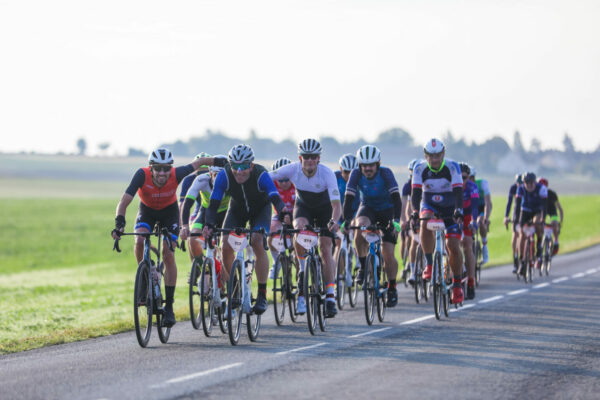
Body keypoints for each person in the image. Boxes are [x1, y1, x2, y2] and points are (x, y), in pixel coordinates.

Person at [111, 148, 226, 327]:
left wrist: (221, 161)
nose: (163, 173)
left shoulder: (176, 173)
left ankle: (170, 307)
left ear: (170, 168)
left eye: (166, 168)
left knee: (168, 252)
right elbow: (124, 201)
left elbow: (199, 163)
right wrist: (119, 224)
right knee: (139, 240)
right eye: (158, 168)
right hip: (147, 211)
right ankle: (145, 278)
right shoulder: (141, 175)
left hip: (169, 213)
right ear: (151, 168)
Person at [202, 144, 286, 316]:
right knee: (225, 244)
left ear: (251, 165)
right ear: (230, 165)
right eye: (235, 166)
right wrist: (209, 225)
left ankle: (262, 294)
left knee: (257, 241)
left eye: (244, 166)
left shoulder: (261, 174)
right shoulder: (224, 175)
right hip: (237, 210)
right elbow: (213, 204)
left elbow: (274, 196)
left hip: (261, 210)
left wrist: (284, 213)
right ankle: (235, 288)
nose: (239, 171)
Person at [269, 138, 342, 318]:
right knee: (298, 229)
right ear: (300, 157)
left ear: (318, 158)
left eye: (313, 157)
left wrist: (333, 221)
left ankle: (330, 297)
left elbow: (336, 205)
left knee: (325, 249)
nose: (309, 160)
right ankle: (302, 268)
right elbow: (267, 178)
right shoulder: (292, 169)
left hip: (325, 210)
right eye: (306, 156)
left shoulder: (327, 174)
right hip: (304, 207)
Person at [343, 145, 402, 307]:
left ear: (378, 164)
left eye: (371, 165)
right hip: (368, 208)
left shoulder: (386, 173)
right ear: (360, 165)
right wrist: (346, 221)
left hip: (387, 210)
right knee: (359, 227)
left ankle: (391, 287)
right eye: (364, 165)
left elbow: (397, 198)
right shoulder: (355, 174)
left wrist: (396, 221)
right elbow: (348, 199)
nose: (368, 169)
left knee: (388, 253)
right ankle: (363, 266)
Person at [411, 138, 465, 304]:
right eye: (431, 156)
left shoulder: (452, 166)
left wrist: (458, 210)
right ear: (425, 156)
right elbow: (416, 194)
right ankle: (429, 264)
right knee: (425, 220)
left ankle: (457, 285)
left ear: (443, 154)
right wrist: (414, 212)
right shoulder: (419, 168)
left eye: (438, 155)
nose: (435, 159)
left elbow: (458, 192)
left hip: (450, 206)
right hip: (430, 204)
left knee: (453, 247)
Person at [179, 157, 230, 286]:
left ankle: (231, 283)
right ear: (210, 173)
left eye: (222, 175)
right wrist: (185, 226)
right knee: (193, 237)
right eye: (216, 175)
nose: (219, 179)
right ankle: (204, 270)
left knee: (227, 247)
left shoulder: (231, 182)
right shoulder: (201, 180)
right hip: (206, 212)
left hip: (226, 213)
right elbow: (187, 203)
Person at [179, 152, 211, 262]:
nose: (203, 174)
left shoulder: (215, 177)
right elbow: (183, 204)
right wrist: (183, 226)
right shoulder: (189, 180)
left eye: (206, 171)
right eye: (199, 172)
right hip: (199, 209)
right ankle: (196, 266)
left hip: (210, 208)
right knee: (191, 237)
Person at [514, 172, 548, 275]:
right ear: (524, 183)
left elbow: (544, 206)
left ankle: (538, 246)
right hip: (525, 211)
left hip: (537, 210)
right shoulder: (520, 189)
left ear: (535, 182)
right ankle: (522, 261)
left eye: (531, 183)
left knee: (537, 222)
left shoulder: (541, 188)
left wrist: (543, 218)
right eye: (527, 183)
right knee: (522, 234)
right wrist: (516, 220)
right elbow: (517, 206)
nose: (529, 185)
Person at [268, 157, 296, 279]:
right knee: (271, 234)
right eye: (281, 180)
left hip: (297, 214)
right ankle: (277, 262)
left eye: (286, 180)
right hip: (279, 216)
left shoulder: (296, 184)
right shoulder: (272, 184)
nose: (284, 183)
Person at [333, 153, 360, 276]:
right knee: (339, 242)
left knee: (358, 233)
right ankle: (337, 276)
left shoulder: (361, 179)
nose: (349, 176)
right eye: (346, 172)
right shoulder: (334, 178)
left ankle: (360, 259)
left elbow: (364, 202)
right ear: (340, 170)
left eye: (352, 172)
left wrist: (355, 219)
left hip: (356, 212)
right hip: (339, 214)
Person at [459, 163, 480, 300]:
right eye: (458, 177)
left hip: (467, 216)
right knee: (451, 245)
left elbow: (475, 208)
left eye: (465, 178)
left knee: (467, 246)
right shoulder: (449, 185)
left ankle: (471, 282)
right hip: (454, 216)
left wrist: (473, 221)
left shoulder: (472, 187)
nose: (461, 181)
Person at [402, 159, 419, 283]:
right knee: (410, 240)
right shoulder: (407, 186)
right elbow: (405, 206)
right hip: (412, 215)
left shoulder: (425, 182)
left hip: (423, 214)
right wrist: (405, 220)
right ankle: (410, 268)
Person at [470, 167, 492, 264]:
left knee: (481, 222)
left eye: (470, 177)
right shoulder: (462, 185)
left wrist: (486, 218)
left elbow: (488, 203)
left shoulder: (482, 183)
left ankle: (484, 248)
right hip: (471, 207)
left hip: (482, 207)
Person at [538, 177, 563, 255]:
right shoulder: (536, 193)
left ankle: (556, 242)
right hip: (542, 212)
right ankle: (539, 247)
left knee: (554, 223)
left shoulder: (552, 194)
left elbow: (560, 209)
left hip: (552, 212)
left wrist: (560, 222)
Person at [504, 174, 523, 273]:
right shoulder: (513, 188)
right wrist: (506, 216)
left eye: (521, 183)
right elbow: (509, 203)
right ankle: (515, 257)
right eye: (518, 183)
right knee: (515, 235)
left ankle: (526, 256)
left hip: (526, 211)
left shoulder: (526, 188)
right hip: (517, 212)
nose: (519, 185)